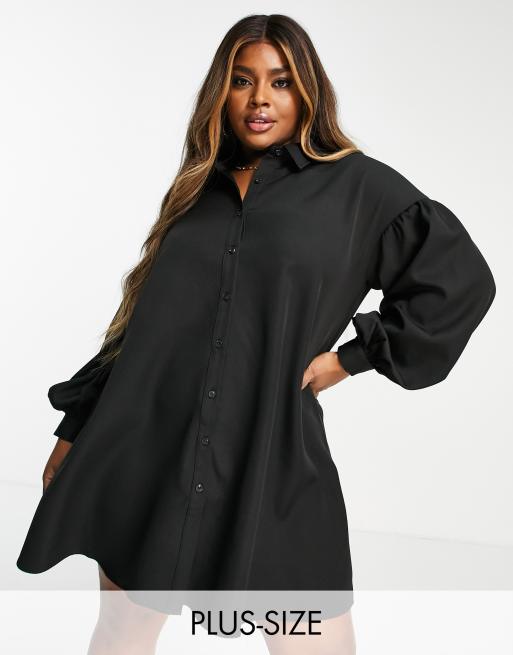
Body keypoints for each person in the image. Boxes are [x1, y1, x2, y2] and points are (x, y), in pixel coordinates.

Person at [16, 13, 495, 655]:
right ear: (222, 91)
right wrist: (74, 428)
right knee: (123, 632)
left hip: (272, 460)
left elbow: (460, 282)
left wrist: (350, 359)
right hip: (149, 453)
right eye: (243, 81)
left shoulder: (359, 187)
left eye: (280, 81)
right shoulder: (198, 190)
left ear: (308, 91)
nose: (260, 98)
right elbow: (145, 327)